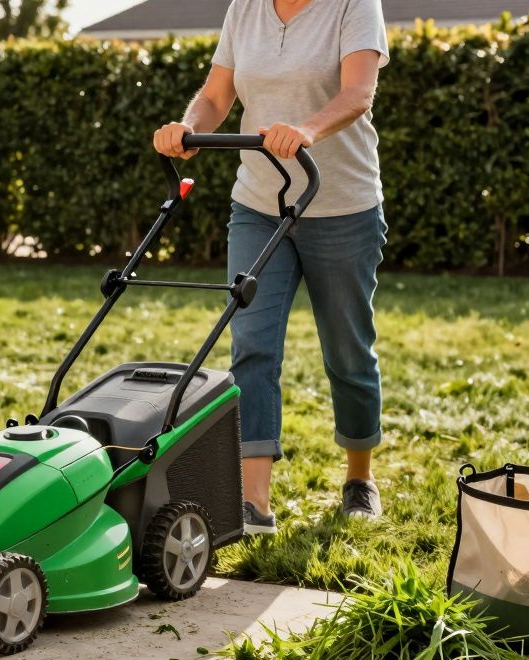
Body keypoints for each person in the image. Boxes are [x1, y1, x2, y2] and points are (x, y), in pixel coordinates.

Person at [153, 0, 390, 532]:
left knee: (348, 350)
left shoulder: (354, 4)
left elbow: (358, 93)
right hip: (259, 204)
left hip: (342, 205)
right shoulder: (247, 8)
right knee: (252, 345)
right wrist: (187, 128)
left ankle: (359, 479)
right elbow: (216, 95)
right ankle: (254, 503)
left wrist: (305, 129)